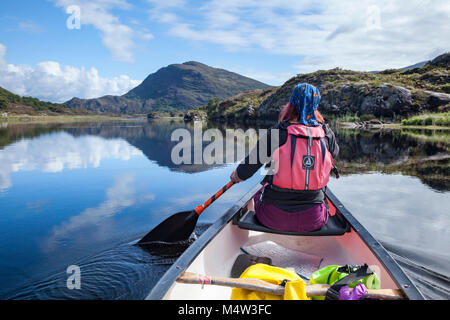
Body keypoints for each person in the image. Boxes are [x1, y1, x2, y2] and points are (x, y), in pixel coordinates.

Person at [230, 83, 339, 232]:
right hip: (314, 219)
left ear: (291, 104)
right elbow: (334, 154)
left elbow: (247, 169)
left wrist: (237, 175)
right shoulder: (326, 133)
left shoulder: (277, 132)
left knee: (259, 192)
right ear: (316, 105)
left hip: (272, 218)